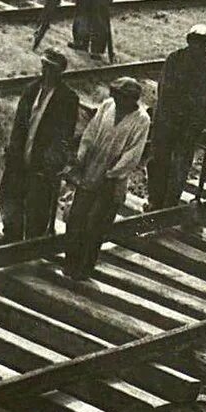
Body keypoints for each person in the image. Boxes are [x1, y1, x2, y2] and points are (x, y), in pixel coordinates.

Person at [62, 78, 150, 280]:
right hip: (91, 171)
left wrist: (113, 173)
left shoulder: (141, 120)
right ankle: (70, 263)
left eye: (122, 98)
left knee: (96, 225)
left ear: (132, 100)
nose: (117, 101)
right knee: (76, 218)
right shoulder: (107, 106)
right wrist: (81, 157)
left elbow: (133, 154)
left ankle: (85, 268)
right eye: (116, 96)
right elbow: (91, 133)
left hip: (112, 181)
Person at [0, 51, 79, 243]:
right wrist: (13, 150)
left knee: (38, 203)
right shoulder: (31, 90)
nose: (46, 71)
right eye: (45, 66)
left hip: (43, 160)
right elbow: (19, 124)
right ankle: (11, 235)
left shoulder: (67, 98)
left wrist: (53, 160)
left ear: (59, 72)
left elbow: (64, 134)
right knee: (11, 194)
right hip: (21, 153)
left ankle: (33, 242)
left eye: (51, 69)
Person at [145, 25, 206, 210]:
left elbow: (205, 100)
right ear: (189, 40)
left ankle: (169, 203)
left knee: (179, 164)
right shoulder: (175, 59)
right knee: (159, 161)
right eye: (195, 41)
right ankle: (156, 200)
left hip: (185, 125)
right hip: (168, 121)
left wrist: (195, 126)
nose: (197, 46)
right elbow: (164, 91)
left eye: (201, 42)